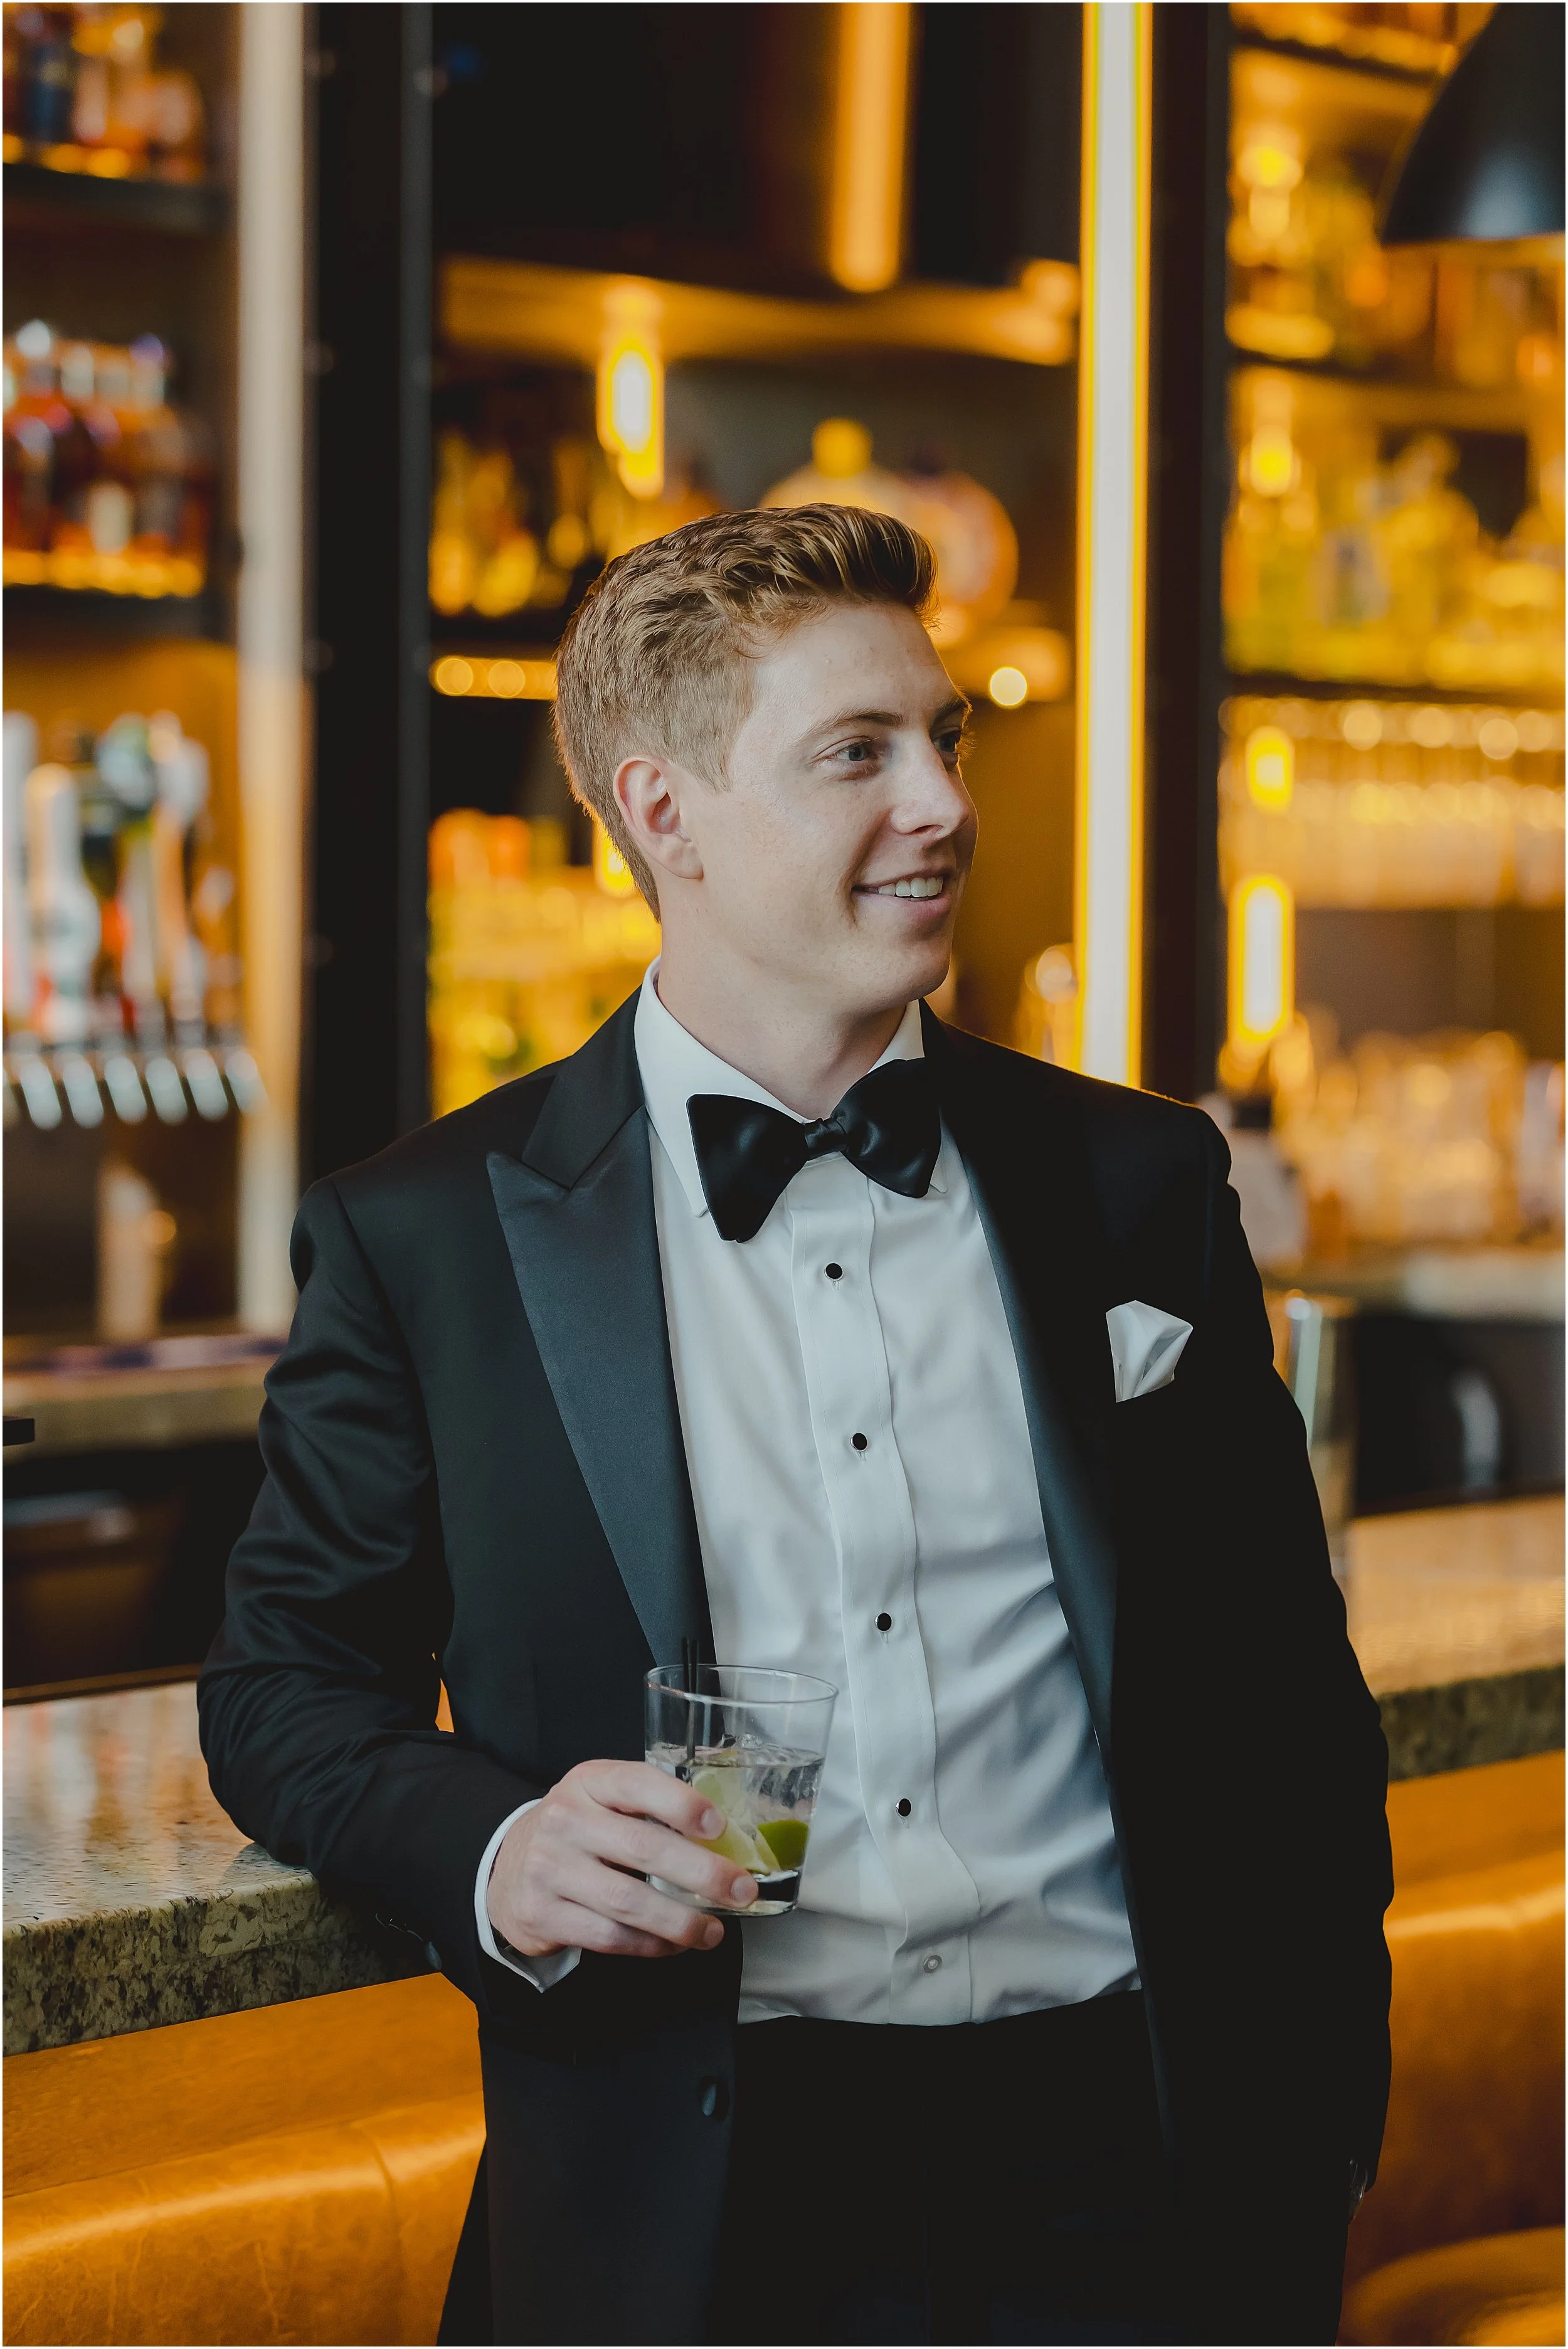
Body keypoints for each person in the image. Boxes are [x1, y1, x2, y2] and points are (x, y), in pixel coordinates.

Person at [199, 504, 1392, 2346]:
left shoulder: (1137, 1180)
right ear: (662, 810)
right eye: (857, 753)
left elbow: (1284, 1695)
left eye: (943, 738)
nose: (943, 804)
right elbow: (285, 1686)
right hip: (692, 2200)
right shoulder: (424, 1234)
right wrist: (501, 1851)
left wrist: (1308, 2144)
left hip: (1136, 2165)